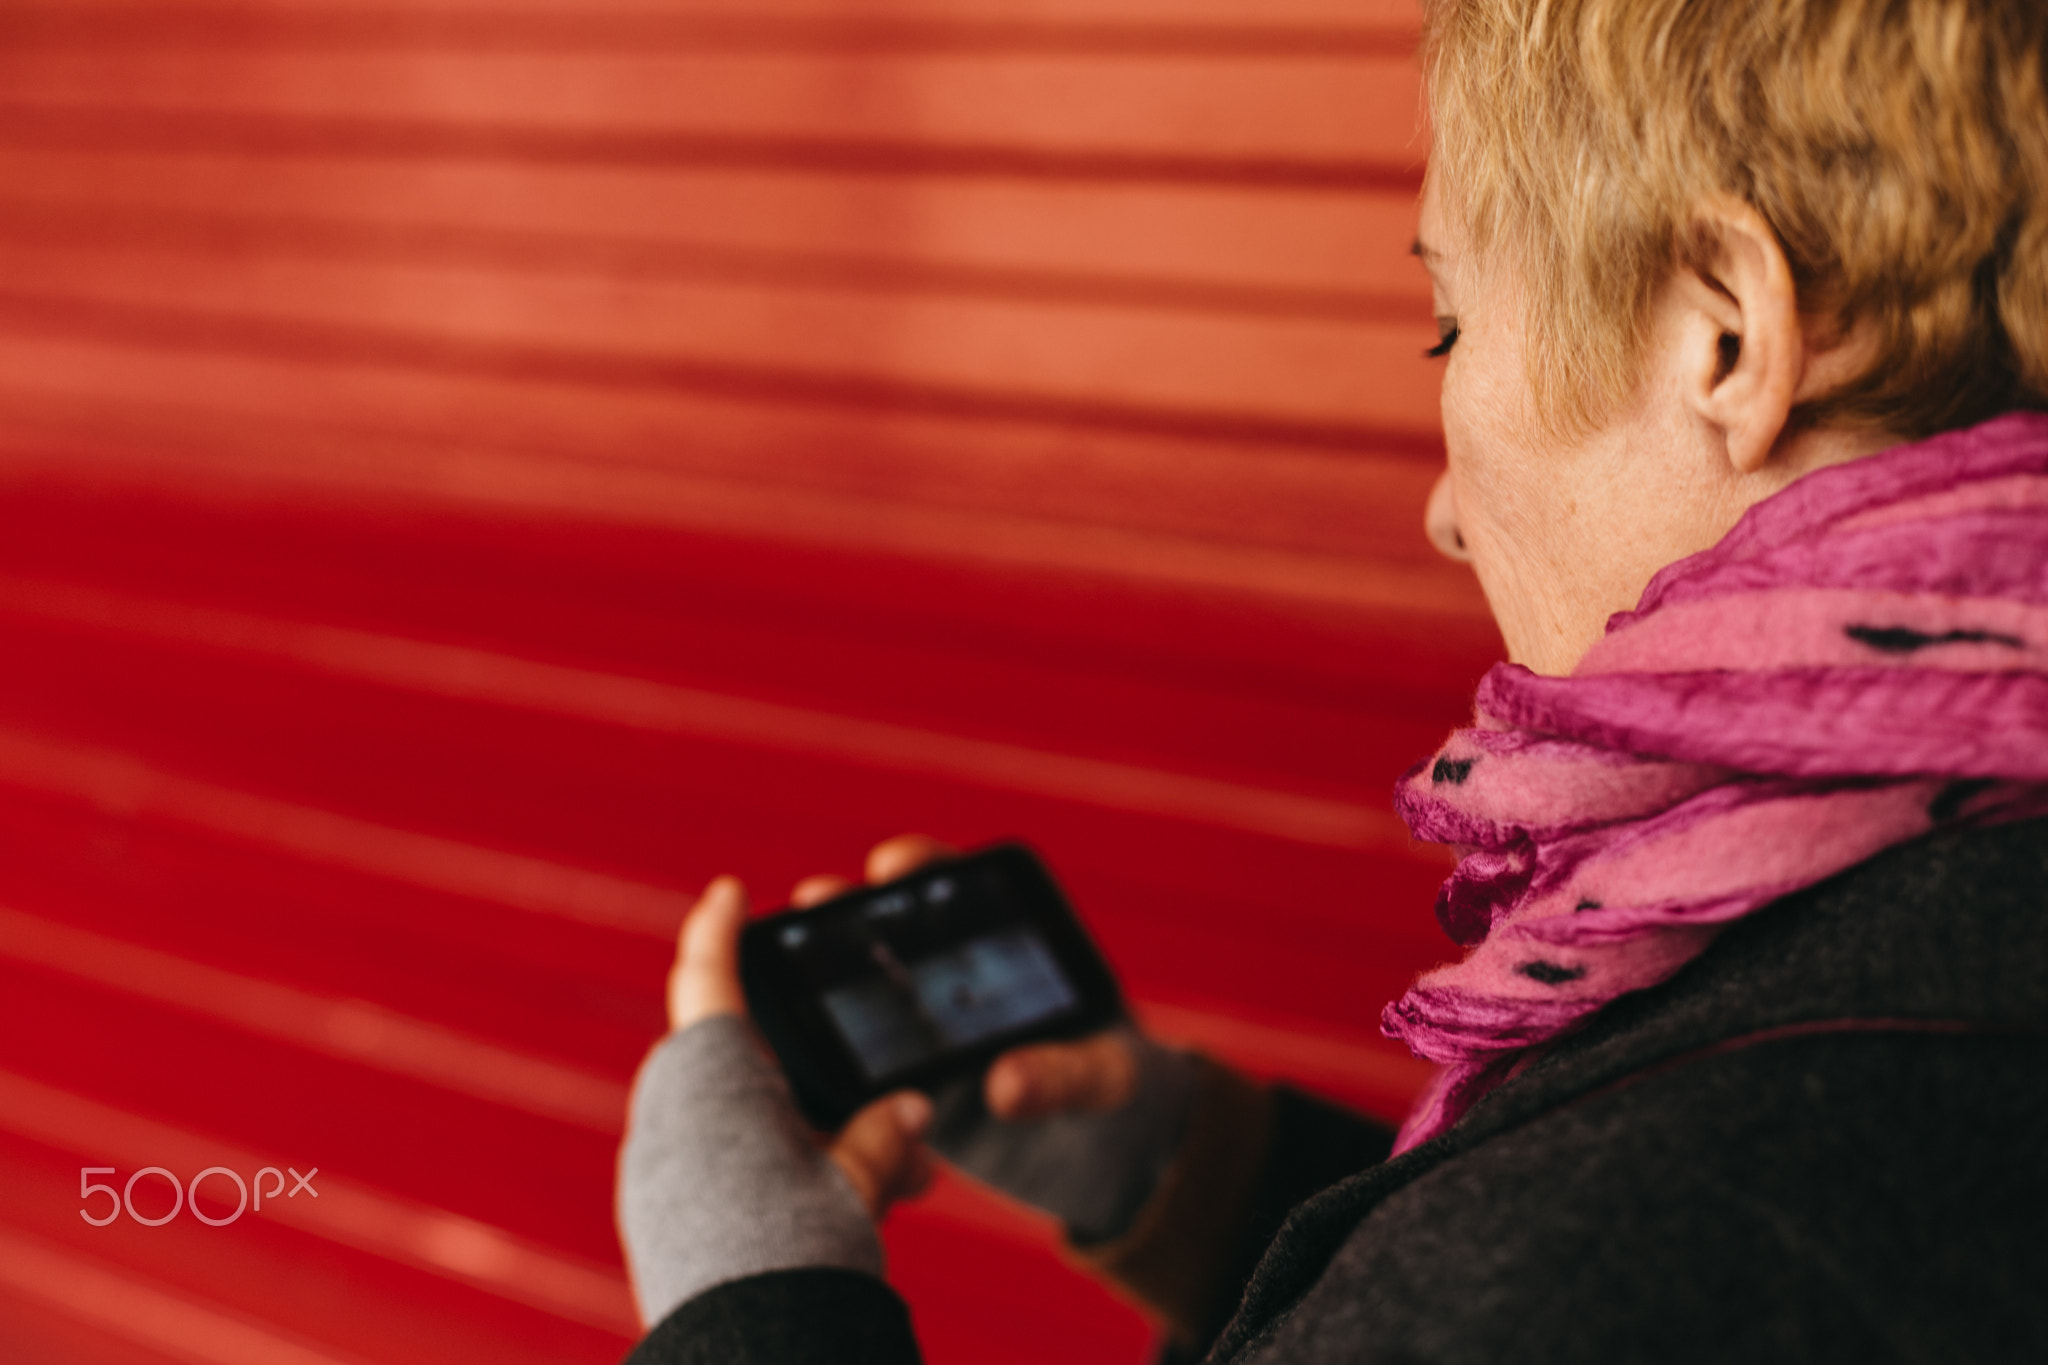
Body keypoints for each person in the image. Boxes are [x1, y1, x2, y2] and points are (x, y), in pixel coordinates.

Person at [612, 0, 2048, 1359]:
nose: (1440, 509)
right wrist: (1181, 1172)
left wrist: (745, 1293)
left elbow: (1597, 1267)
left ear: (1725, 332)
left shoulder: (1624, 1231)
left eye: (1455, 324)